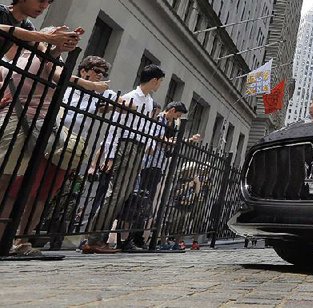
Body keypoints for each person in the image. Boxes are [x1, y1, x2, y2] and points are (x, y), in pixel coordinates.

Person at [0, 27, 107, 256]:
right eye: (96, 70)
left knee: (36, 191)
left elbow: (60, 75)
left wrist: (58, 46)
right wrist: (92, 86)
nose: (100, 75)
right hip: (22, 125)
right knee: (11, 185)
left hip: (48, 138)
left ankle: (20, 239)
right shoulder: (24, 57)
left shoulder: (53, 62)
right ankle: (7, 237)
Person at [83, 64, 165, 254]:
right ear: (154, 80)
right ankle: (94, 237)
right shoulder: (130, 98)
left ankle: (100, 237)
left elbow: (146, 128)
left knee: (124, 193)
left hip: (138, 148)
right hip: (125, 146)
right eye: (160, 81)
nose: (159, 84)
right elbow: (115, 128)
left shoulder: (149, 102)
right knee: (116, 193)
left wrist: (149, 146)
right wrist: (110, 155)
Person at [126, 101, 187, 249]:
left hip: (157, 164)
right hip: (149, 164)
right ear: (172, 110)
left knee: (147, 202)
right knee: (142, 200)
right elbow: (158, 138)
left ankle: (138, 237)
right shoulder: (158, 119)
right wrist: (176, 142)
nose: (176, 119)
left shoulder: (169, 124)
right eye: (177, 115)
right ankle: (133, 238)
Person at [0, 0, 79, 52]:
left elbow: (44, 55)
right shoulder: (1, 11)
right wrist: (48, 37)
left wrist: (59, 48)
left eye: (49, 2)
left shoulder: (27, 25)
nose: (44, 6)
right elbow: (5, 29)